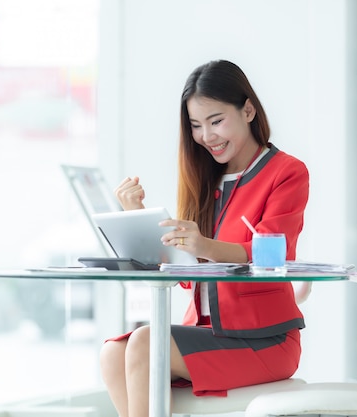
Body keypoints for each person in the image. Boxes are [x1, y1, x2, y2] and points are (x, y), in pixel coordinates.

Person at [99, 59, 310, 417]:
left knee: (145, 343)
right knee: (112, 353)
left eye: (216, 121)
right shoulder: (204, 177)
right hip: (206, 331)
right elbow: (185, 274)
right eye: (196, 126)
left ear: (247, 110)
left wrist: (202, 245)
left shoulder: (286, 172)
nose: (206, 136)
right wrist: (138, 216)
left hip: (264, 341)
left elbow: (275, 251)